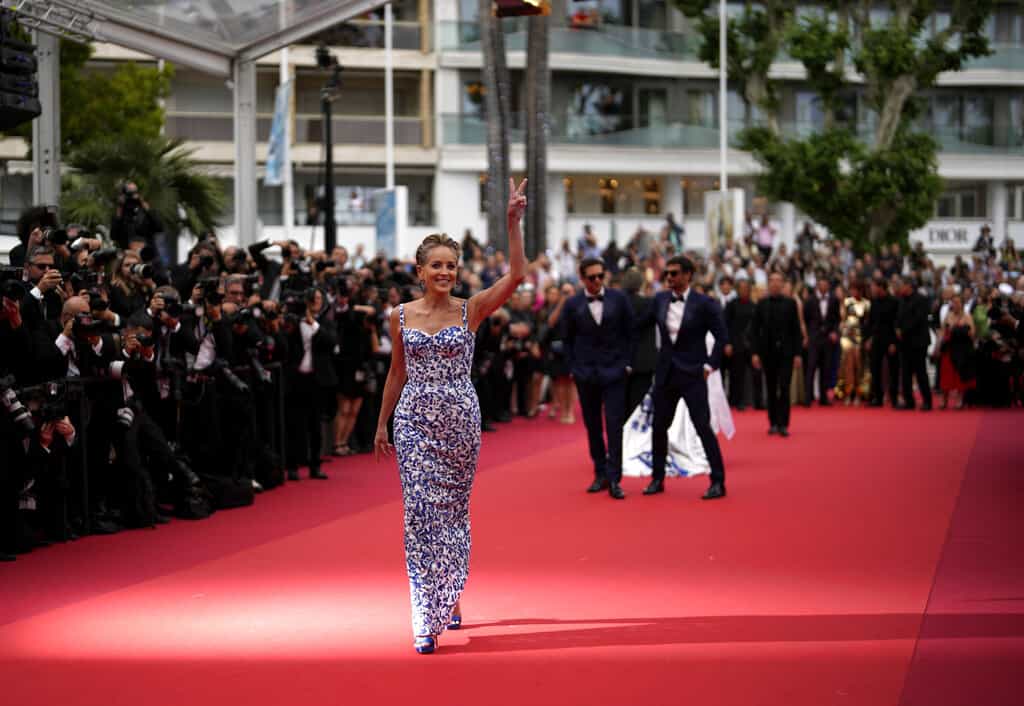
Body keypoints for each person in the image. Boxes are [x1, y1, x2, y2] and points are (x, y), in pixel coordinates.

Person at [373, 178, 529, 655]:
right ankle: (425, 611)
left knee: (453, 513)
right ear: (420, 271)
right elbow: (397, 372)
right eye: (436, 265)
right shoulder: (399, 316)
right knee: (420, 513)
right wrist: (382, 423)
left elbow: (516, 278)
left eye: (451, 266)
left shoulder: (471, 310)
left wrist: (511, 225)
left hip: (460, 422)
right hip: (415, 419)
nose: (444, 272)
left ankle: (450, 589)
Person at [635, 255, 728, 499]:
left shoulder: (705, 303)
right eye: (667, 274)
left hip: (693, 374)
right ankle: (657, 479)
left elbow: (721, 336)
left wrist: (710, 365)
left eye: (674, 273)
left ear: (688, 275)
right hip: (666, 374)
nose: (669, 278)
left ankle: (718, 481)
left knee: (702, 428)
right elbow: (639, 324)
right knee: (658, 427)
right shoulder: (659, 300)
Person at [561, 256, 634, 500]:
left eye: (601, 276)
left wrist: (627, 364)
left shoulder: (619, 298)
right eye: (592, 277)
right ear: (582, 278)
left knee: (614, 425)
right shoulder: (572, 304)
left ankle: (615, 478)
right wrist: (573, 367)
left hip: (615, 371)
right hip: (586, 373)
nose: (597, 281)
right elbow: (567, 339)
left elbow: (630, 332)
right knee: (592, 426)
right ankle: (600, 472)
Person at [751, 272, 802, 437]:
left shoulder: (790, 303)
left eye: (778, 281)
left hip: (786, 353)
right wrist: (755, 353)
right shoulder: (761, 303)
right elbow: (754, 331)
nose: (774, 284)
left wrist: (798, 354)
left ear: (782, 284)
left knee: (785, 388)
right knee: (771, 388)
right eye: (771, 281)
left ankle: (784, 424)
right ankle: (773, 423)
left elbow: (796, 330)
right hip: (767, 353)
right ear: (768, 284)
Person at [895, 276, 933, 411]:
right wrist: (897, 329)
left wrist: (903, 330)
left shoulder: (921, 300)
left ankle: (927, 401)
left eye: (902, 285)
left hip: (918, 342)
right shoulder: (901, 300)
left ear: (909, 286)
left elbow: (918, 319)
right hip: (905, 343)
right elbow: (898, 317)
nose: (900, 288)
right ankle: (909, 401)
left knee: (921, 372)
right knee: (905, 373)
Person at [803, 275, 840, 406]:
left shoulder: (834, 300)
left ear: (828, 286)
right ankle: (808, 398)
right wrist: (808, 334)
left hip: (828, 339)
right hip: (814, 338)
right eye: (821, 284)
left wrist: (834, 332)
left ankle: (824, 398)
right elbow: (806, 318)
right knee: (811, 367)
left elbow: (836, 319)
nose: (823, 287)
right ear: (818, 285)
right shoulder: (810, 300)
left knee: (826, 368)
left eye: (826, 284)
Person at [936, 294, 976, 409]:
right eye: (954, 302)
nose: (955, 304)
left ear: (962, 304)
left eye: (958, 302)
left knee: (959, 375)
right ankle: (944, 399)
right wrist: (938, 347)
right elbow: (942, 332)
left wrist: (960, 330)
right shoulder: (948, 316)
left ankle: (959, 399)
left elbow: (972, 333)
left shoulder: (967, 316)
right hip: (948, 349)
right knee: (946, 375)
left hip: (961, 350)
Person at [865, 279, 900, 407]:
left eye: (874, 287)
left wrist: (894, 343)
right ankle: (877, 398)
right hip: (876, 339)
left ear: (881, 287)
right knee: (875, 369)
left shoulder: (894, 302)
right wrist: (868, 338)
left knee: (893, 370)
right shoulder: (874, 302)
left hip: (890, 340)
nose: (872, 290)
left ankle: (894, 398)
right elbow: (871, 323)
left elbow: (896, 323)